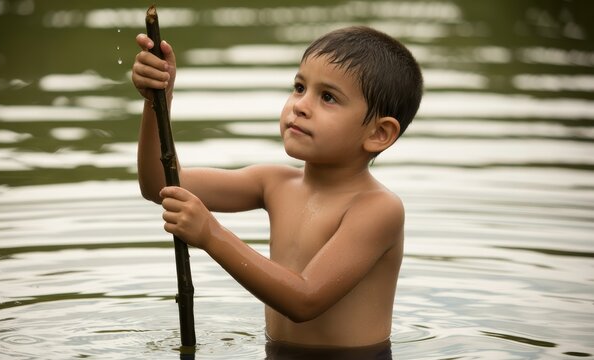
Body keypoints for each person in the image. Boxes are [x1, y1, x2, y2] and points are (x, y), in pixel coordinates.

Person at [131, 26, 422, 358]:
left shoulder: (377, 208)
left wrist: (211, 234)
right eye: (300, 87)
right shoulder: (274, 183)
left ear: (379, 133)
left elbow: (305, 299)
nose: (300, 105)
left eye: (327, 97)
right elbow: (160, 184)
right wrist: (158, 101)